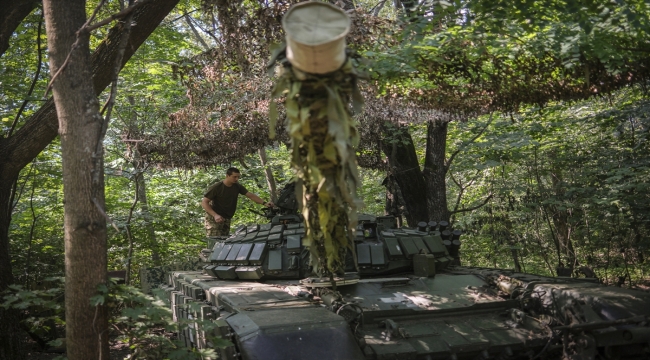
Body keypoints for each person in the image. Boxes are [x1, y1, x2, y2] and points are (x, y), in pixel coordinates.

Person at [201, 167, 274, 236]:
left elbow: (249, 195)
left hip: (226, 217)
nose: (237, 179)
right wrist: (215, 215)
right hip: (214, 217)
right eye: (234, 177)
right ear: (227, 176)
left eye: (238, 177)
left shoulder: (237, 186)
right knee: (215, 241)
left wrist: (264, 203)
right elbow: (204, 202)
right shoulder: (217, 187)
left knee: (224, 241)